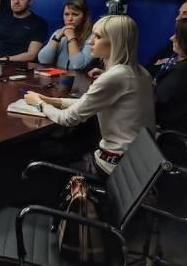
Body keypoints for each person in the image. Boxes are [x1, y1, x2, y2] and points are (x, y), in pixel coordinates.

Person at [24, 15, 155, 176]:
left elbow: (67, 119)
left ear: (116, 42)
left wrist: (39, 104)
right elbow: (87, 102)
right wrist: (53, 101)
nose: (90, 41)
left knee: (35, 159)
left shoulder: (114, 77)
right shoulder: (141, 72)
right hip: (138, 164)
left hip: (112, 166)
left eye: (98, 37)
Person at [37, 0, 93, 70]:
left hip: (80, 77)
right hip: (59, 76)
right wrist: (56, 38)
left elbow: (78, 65)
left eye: (75, 14)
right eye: (66, 14)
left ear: (85, 17)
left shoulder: (92, 37)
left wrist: (71, 38)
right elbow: (43, 60)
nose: (70, 19)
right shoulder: (58, 33)